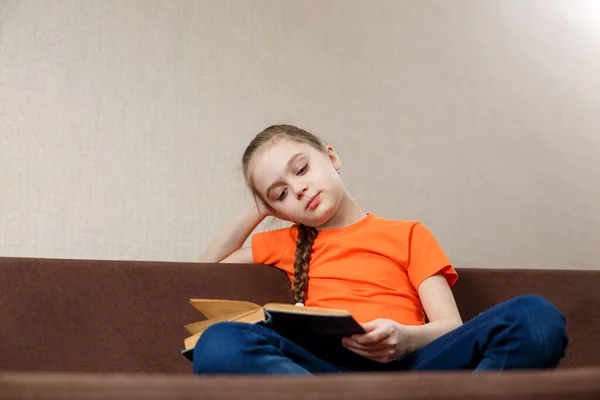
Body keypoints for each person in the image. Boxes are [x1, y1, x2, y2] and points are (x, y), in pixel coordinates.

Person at [193, 124, 568, 375]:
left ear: (332, 158)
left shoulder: (408, 234)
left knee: (534, 316)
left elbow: (450, 327)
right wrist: (258, 207)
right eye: (282, 193)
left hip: (414, 363)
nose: (299, 189)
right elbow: (204, 270)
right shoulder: (286, 241)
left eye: (302, 170)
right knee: (220, 344)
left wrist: (404, 337)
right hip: (327, 373)